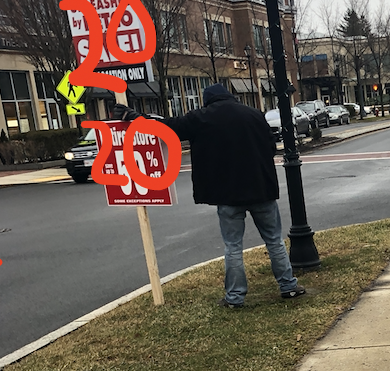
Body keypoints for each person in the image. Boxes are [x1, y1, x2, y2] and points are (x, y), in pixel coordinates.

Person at [113, 83, 305, 308]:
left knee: (233, 246)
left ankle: (235, 298)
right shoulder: (254, 115)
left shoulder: (201, 118)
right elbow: (271, 147)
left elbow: (168, 128)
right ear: (230, 97)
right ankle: (288, 286)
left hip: (227, 194)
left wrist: (136, 118)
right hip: (261, 189)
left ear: (208, 100)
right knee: (274, 240)